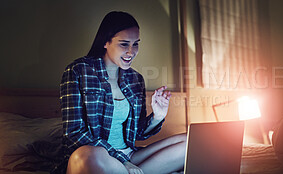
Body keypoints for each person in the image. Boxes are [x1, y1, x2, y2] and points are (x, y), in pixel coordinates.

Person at [57, 11, 186, 174]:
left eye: (136, 44)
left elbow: (137, 133)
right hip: (97, 158)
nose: (131, 52)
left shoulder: (135, 79)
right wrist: (120, 161)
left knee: (190, 142)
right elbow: (73, 133)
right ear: (105, 42)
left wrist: (157, 116)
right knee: (88, 155)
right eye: (124, 44)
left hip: (131, 156)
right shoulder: (78, 71)